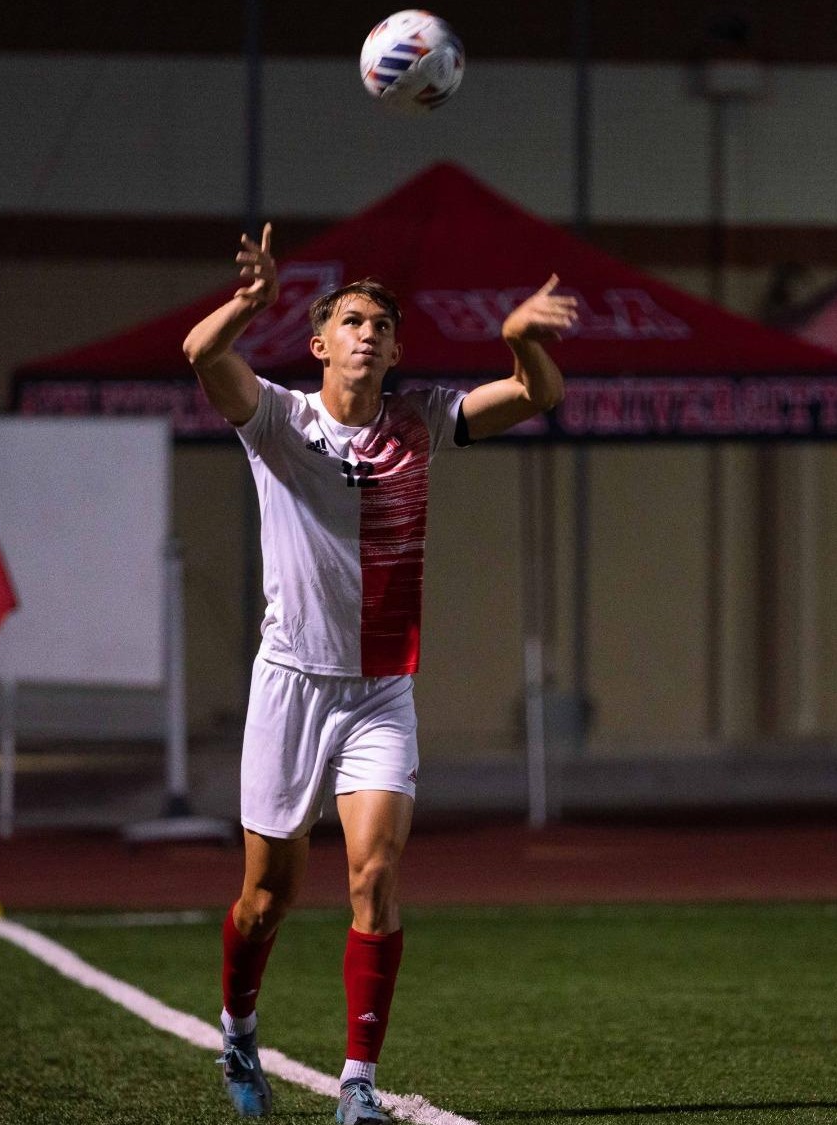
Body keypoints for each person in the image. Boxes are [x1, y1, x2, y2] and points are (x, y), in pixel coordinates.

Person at [182, 223, 577, 1122]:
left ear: (396, 349)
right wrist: (249, 302)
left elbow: (537, 396)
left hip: (380, 692)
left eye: (381, 326)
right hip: (290, 685)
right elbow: (201, 356)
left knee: (374, 875)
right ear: (320, 342)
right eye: (350, 321)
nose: (367, 335)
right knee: (266, 897)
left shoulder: (423, 419)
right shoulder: (280, 422)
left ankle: (357, 1082)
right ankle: (238, 1028)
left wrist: (521, 343)